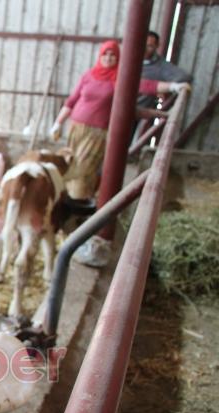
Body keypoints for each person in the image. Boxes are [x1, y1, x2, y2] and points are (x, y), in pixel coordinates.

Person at [48, 40, 189, 267]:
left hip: (97, 135)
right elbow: (73, 100)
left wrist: (173, 87)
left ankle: (75, 227)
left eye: (113, 56)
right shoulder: (89, 75)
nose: (109, 59)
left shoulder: (119, 79)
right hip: (76, 130)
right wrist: (58, 122)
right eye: (105, 55)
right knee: (71, 171)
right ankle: (70, 220)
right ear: (99, 56)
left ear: (118, 58)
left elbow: (148, 86)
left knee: (81, 176)